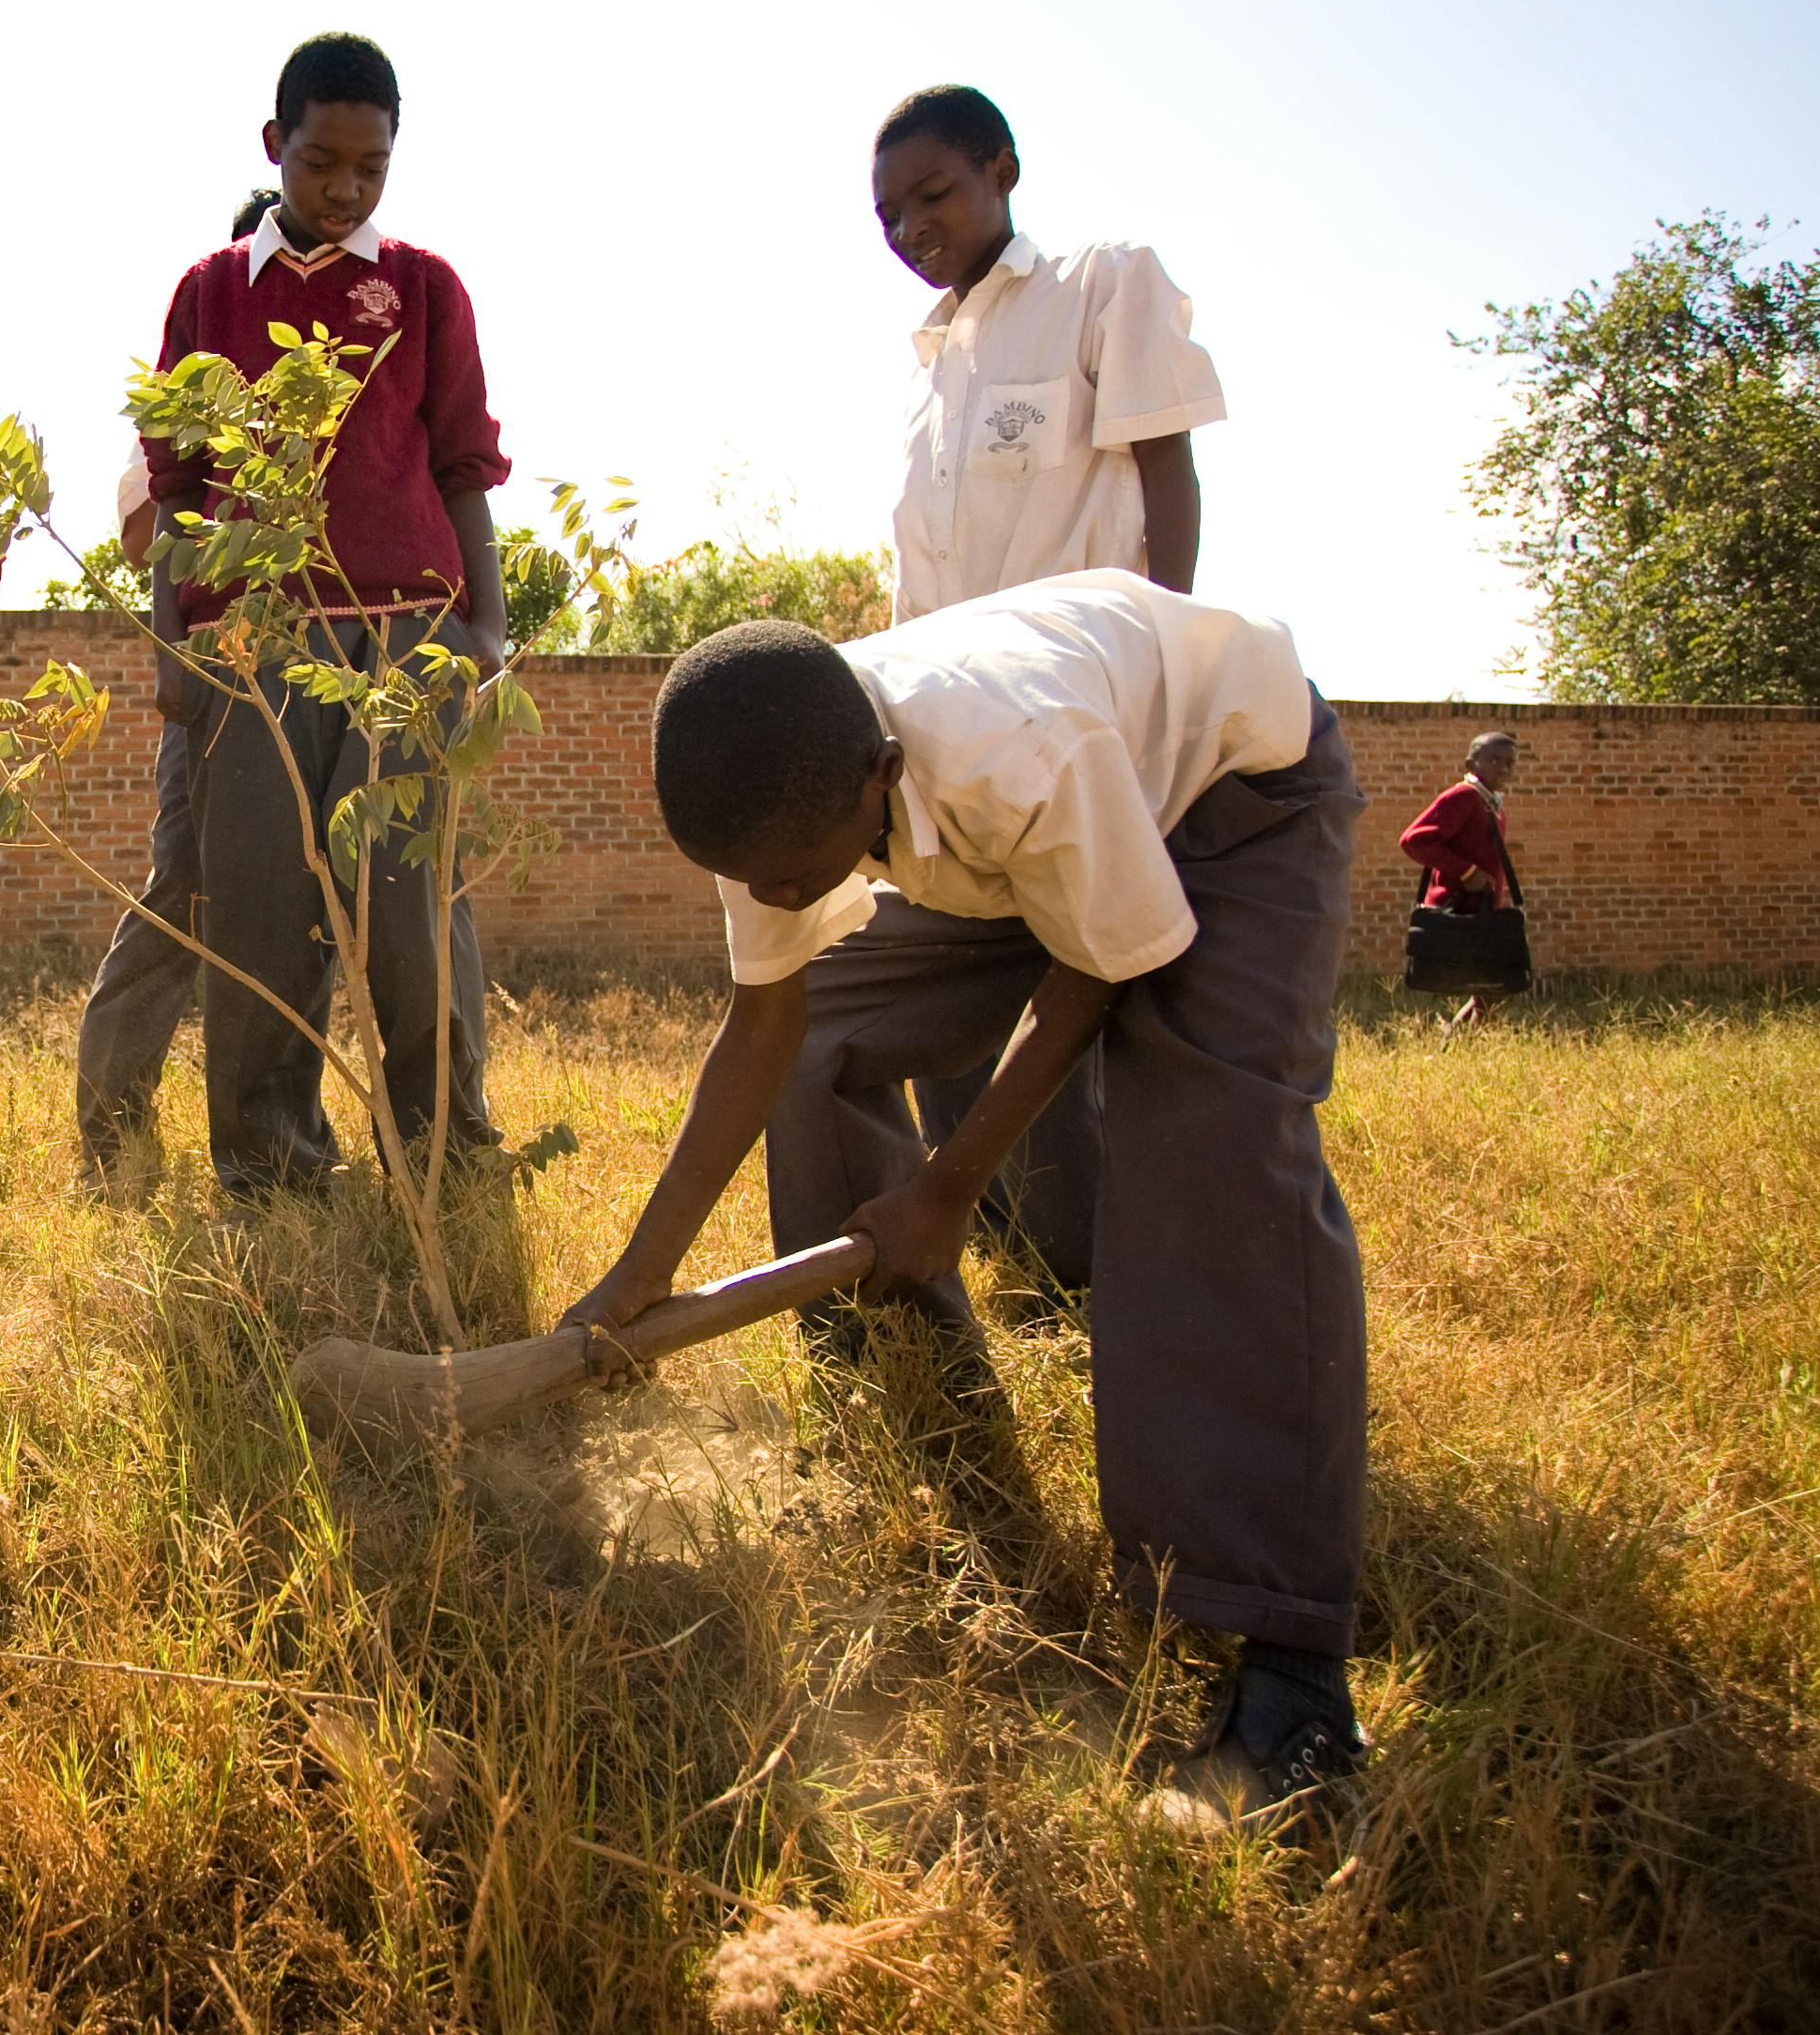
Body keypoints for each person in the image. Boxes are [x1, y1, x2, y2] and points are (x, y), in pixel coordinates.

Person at [564, 573, 1373, 1810]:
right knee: (827, 1025)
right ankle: (927, 1401)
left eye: (792, 880)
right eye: (751, 882)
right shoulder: (769, 782)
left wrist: (949, 1187)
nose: (777, 901)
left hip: (1230, 796)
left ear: (880, 775)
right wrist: (642, 1269)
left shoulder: (1018, 750)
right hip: (1041, 838)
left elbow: (1094, 972)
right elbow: (765, 1021)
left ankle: (1294, 1683)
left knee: (1206, 1136)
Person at [847, 84, 1233, 1294]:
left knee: (1094, 983)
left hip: (1085, 719)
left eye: (934, 194)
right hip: (959, 742)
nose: (911, 227)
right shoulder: (931, 374)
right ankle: (1003, 1241)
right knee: (956, 1000)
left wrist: (1159, 660)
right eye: (886, 213)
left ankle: (1095, 1263)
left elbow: (1165, 475)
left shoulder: (1097, 288)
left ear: (1002, 170)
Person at [142, 34, 508, 1195]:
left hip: (406, 634)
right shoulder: (209, 292)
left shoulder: (423, 286)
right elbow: (178, 487)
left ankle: (442, 1149)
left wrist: (484, 630)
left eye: (371, 167)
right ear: (274, 147)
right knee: (258, 905)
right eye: (320, 163)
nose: (345, 188)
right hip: (250, 638)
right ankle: (270, 1165)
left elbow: (461, 468)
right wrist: (172, 636)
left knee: (407, 904)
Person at [72, 189, 280, 1181]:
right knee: (186, 895)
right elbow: (147, 530)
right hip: (223, 677)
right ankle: (111, 1128)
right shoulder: (185, 407)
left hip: (341, 681)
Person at [1399, 731, 1519, 910]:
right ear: (1471, 765)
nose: (1503, 769)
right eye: (1494, 761)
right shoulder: (1465, 795)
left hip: (1479, 914)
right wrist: (1467, 872)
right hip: (1454, 913)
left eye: (1510, 763)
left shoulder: (1491, 804)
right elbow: (1414, 840)